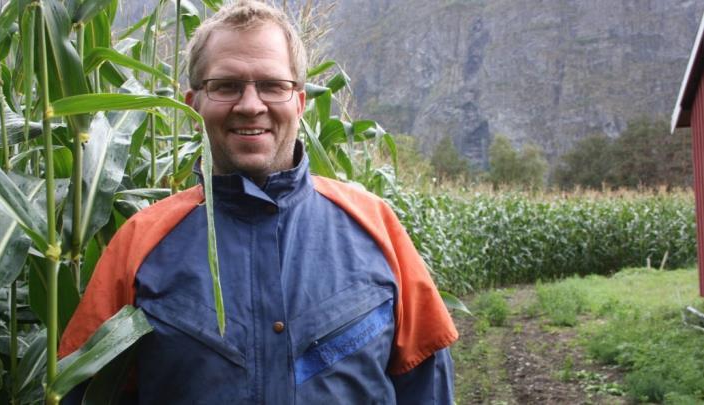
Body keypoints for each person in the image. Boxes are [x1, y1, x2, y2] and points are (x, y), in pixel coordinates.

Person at [60, 1, 458, 403]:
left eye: (272, 85)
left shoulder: (375, 225)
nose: (251, 105)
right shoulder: (138, 243)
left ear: (300, 102)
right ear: (193, 103)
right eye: (226, 85)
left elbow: (426, 384)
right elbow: (85, 388)